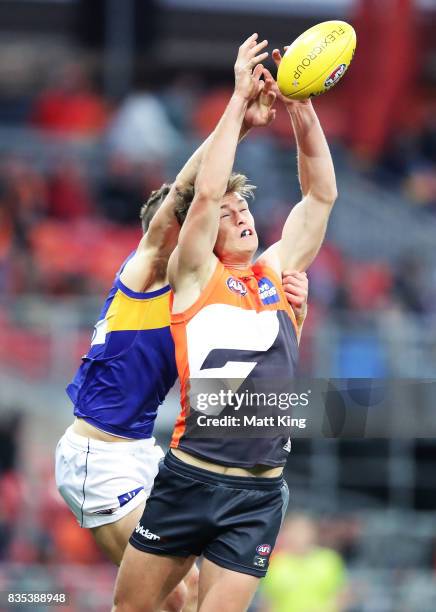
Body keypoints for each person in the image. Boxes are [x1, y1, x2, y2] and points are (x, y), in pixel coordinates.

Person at [54, 52, 308, 612]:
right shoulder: (146, 266)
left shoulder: (198, 289)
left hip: (144, 450)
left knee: (188, 596)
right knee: (173, 597)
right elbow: (192, 193)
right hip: (100, 456)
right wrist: (236, 111)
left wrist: (295, 307)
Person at [113, 33, 337, 612]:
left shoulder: (276, 272)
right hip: (190, 479)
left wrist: (302, 111)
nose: (240, 214)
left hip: (259, 492)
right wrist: (238, 100)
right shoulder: (194, 275)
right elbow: (206, 192)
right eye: (229, 214)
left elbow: (319, 197)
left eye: (246, 209)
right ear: (201, 237)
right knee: (131, 609)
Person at [260, 514, 350, 612]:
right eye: (293, 531)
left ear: (313, 533)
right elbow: (268, 601)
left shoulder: (329, 559)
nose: (298, 536)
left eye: (302, 531)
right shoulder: (275, 562)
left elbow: (343, 595)